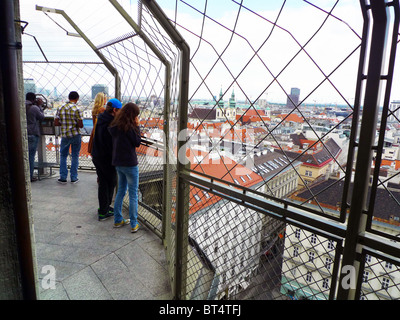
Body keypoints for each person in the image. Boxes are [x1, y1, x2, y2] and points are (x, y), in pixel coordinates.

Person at [108, 102, 141, 232]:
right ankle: (134, 223)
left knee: (120, 191)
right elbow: (137, 142)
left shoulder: (116, 125)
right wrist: (137, 126)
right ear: (133, 115)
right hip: (130, 164)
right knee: (133, 195)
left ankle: (117, 220)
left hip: (118, 162)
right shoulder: (131, 128)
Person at [91, 98, 122, 221]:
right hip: (107, 158)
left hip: (97, 155)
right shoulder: (111, 123)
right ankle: (104, 210)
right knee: (110, 182)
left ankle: (103, 207)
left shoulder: (102, 117)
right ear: (114, 110)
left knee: (104, 182)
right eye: (119, 110)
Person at [54, 91, 83, 184]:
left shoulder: (60, 107)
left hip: (65, 135)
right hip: (75, 134)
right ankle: (74, 177)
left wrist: (64, 124)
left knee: (63, 156)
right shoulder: (77, 108)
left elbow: (56, 122)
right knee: (75, 156)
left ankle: (63, 177)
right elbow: (80, 125)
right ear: (77, 99)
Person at [25, 92, 45, 182]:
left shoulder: (20, 105)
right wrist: (40, 106)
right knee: (31, 157)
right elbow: (41, 117)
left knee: (24, 156)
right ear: (34, 99)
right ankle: (30, 176)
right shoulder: (34, 108)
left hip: (23, 133)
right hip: (32, 133)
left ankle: (23, 175)